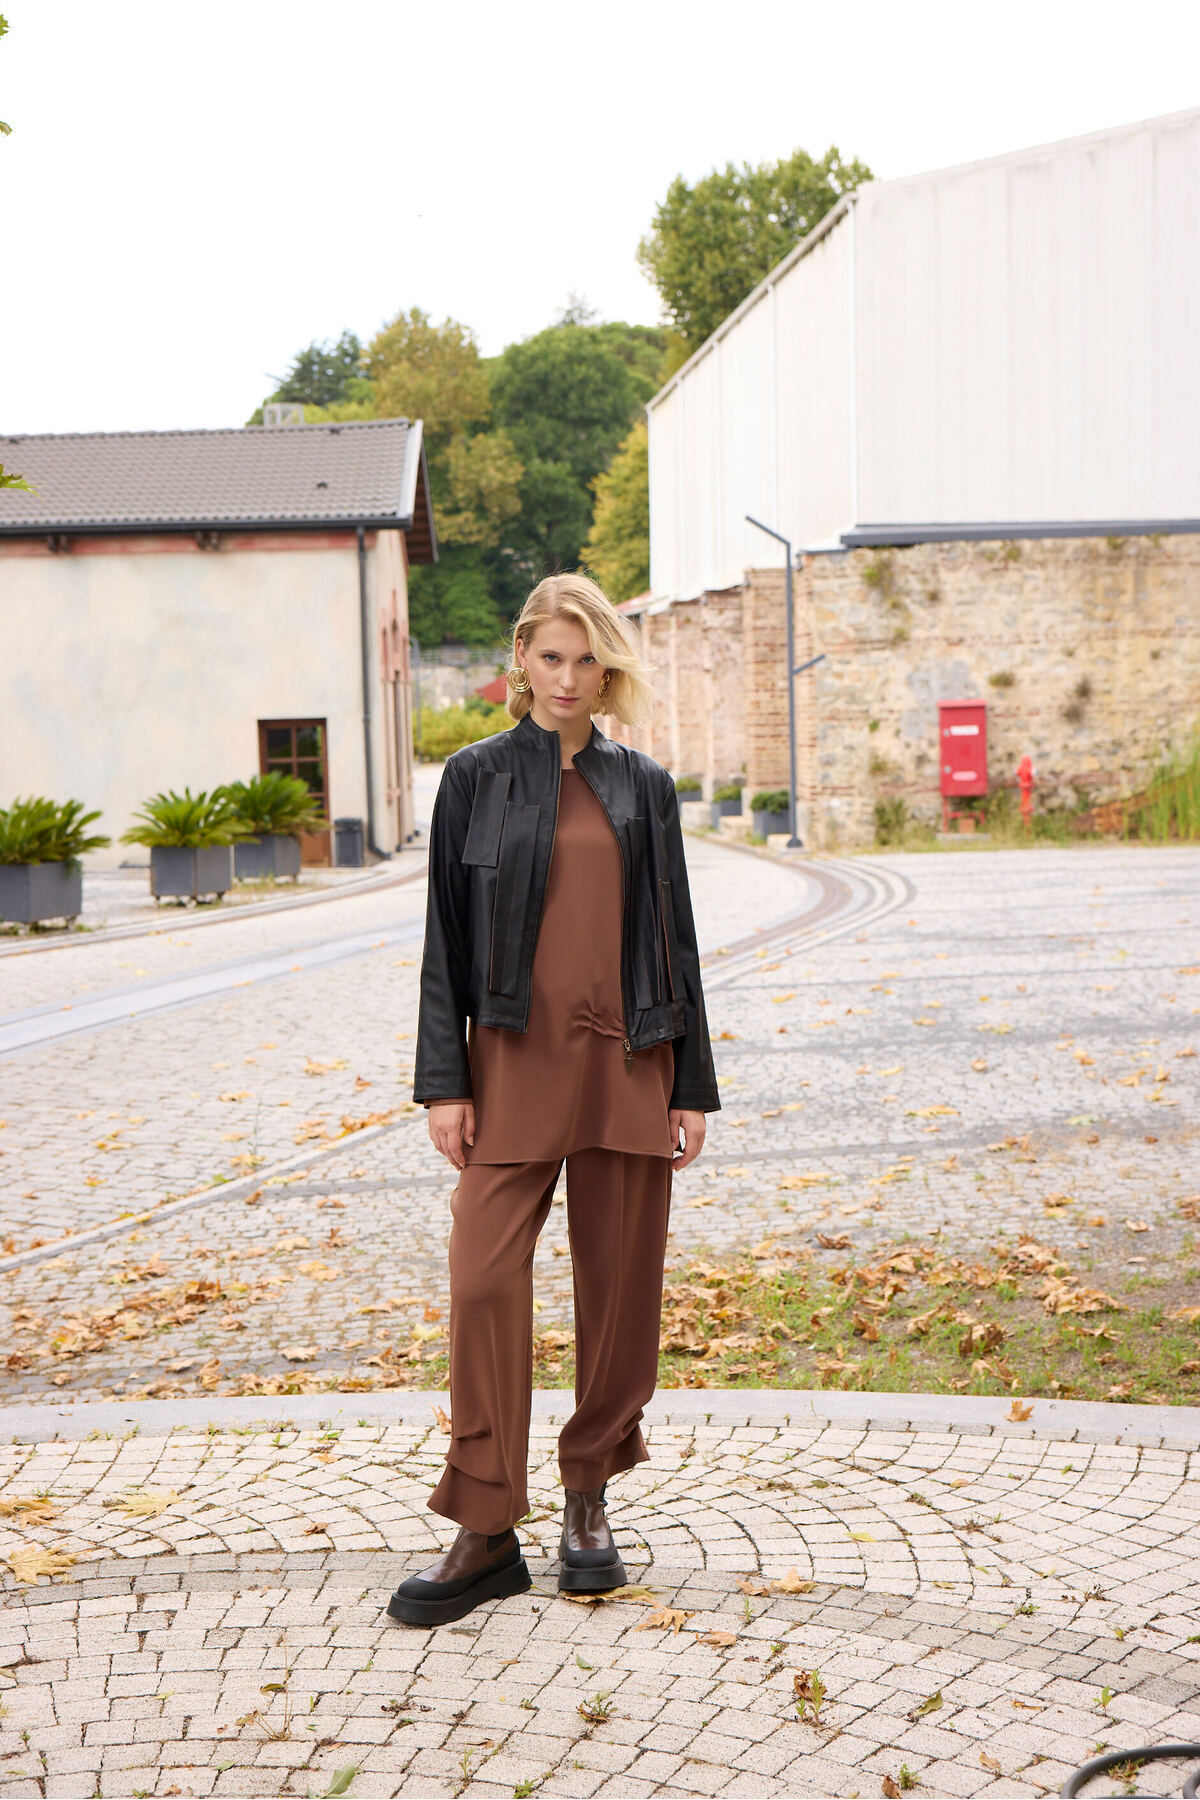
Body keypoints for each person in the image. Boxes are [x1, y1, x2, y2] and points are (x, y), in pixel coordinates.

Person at [387, 572, 721, 1628]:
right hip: (511, 1060)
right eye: (551, 658)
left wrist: (691, 1084)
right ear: (521, 660)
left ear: (606, 671)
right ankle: (486, 1523)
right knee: (483, 1276)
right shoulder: (474, 778)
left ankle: (588, 1498)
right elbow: (444, 937)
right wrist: (445, 1080)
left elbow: (675, 936)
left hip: (629, 1057)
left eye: (588, 661)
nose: (569, 679)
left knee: (620, 1287)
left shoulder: (644, 786)